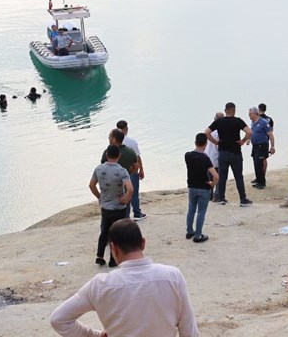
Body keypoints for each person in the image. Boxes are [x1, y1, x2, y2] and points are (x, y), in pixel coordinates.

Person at [50, 219, 198, 337]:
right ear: (143, 243)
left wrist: (93, 335)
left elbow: (58, 320)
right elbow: (189, 331)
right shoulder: (172, 277)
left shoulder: (100, 285)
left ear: (113, 248)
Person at [91, 144, 133, 267]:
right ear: (119, 155)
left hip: (105, 206)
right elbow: (130, 189)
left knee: (104, 231)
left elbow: (91, 185)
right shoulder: (121, 171)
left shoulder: (98, 169)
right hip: (118, 207)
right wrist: (125, 200)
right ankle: (113, 259)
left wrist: (99, 197)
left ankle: (99, 256)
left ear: (106, 155)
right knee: (116, 233)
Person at [206, 102, 252, 206]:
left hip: (222, 153)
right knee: (238, 176)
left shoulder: (219, 122)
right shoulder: (238, 121)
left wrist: (215, 142)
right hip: (235, 153)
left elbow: (206, 132)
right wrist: (243, 141)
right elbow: (249, 132)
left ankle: (221, 198)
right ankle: (243, 199)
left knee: (222, 176)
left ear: (225, 110)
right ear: (234, 110)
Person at [184, 133, 218, 242]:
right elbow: (216, 175)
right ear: (206, 144)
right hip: (203, 187)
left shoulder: (187, 155)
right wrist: (213, 184)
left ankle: (189, 231)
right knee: (201, 212)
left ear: (195, 143)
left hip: (192, 186)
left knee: (191, 209)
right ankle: (198, 235)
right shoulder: (205, 158)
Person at [116, 120, 147, 219]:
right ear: (126, 129)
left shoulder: (114, 143)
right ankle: (137, 213)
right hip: (131, 171)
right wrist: (141, 170)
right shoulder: (131, 142)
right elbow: (137, 158)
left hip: (118, 172)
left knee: (123, 193)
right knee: (133, 192)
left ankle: (126, 216)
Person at [248, 107, 274, 188]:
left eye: (250, 114)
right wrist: (249, 139)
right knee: (255, 163)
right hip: (255, 146)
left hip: (262, 145)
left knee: (259, 163)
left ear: (255, 113)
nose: (249, 116)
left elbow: (270, 134)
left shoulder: (263, 122)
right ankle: (258, 180)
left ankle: (262, 183)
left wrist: (272, 146)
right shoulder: (252, 122)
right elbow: (252, 132)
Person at [257, 103, 276, 178]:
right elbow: (271, 130)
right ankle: (261, 175)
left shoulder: (257, 119)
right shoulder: (269, 119)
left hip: (260, 141)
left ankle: (261, 176)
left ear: (259, 109)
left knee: (260, 159)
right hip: (266, 140)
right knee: (263, 158)